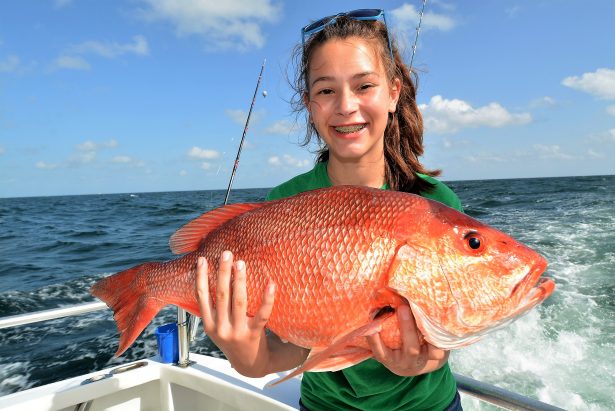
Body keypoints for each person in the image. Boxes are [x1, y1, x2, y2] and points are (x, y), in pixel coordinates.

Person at [195, 9, 463, 411]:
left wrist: (429, 358)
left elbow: (449, 323)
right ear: (309, 104)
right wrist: (249, 357)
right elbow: (292, 349)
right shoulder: (285, 202)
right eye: (325, 91)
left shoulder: (436, 204)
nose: (346, 106)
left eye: (364, 86)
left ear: (393, 93)